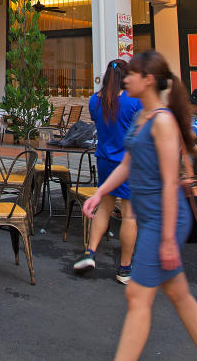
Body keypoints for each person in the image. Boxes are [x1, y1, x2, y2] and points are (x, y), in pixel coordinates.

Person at [82, 51, 197, 361]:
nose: (126, 79)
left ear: (148, 80)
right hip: (151, 217)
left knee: (136, 296)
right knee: (179, 295)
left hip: (164, 218)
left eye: (132, 74)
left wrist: (169, 238)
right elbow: (127, 164)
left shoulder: (163, 121)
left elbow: (171, 182)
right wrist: (99, 193)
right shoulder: (140, 115)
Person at [77, 58, 141, 282]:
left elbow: (97, 122)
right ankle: (125, 269)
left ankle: (90, 252)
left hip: (104, 160)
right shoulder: (134, 101)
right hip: (127, 164)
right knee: (129, 214)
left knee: (104, 208)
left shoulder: (95, 100)